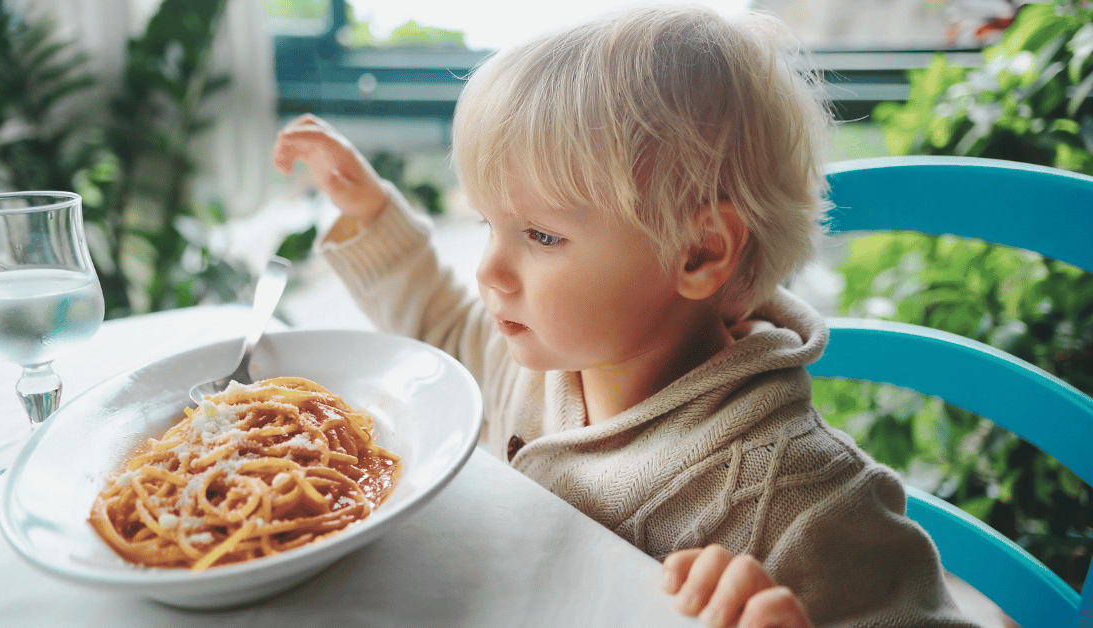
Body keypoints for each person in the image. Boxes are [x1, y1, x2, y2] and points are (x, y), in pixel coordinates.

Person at [273, 4, 981, 627]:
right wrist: (371, 216)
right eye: (488, 224)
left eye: (540, 236)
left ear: (700, 252)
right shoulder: (547, 362)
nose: (488, 270)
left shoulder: (809, 506)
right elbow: (447, 338)